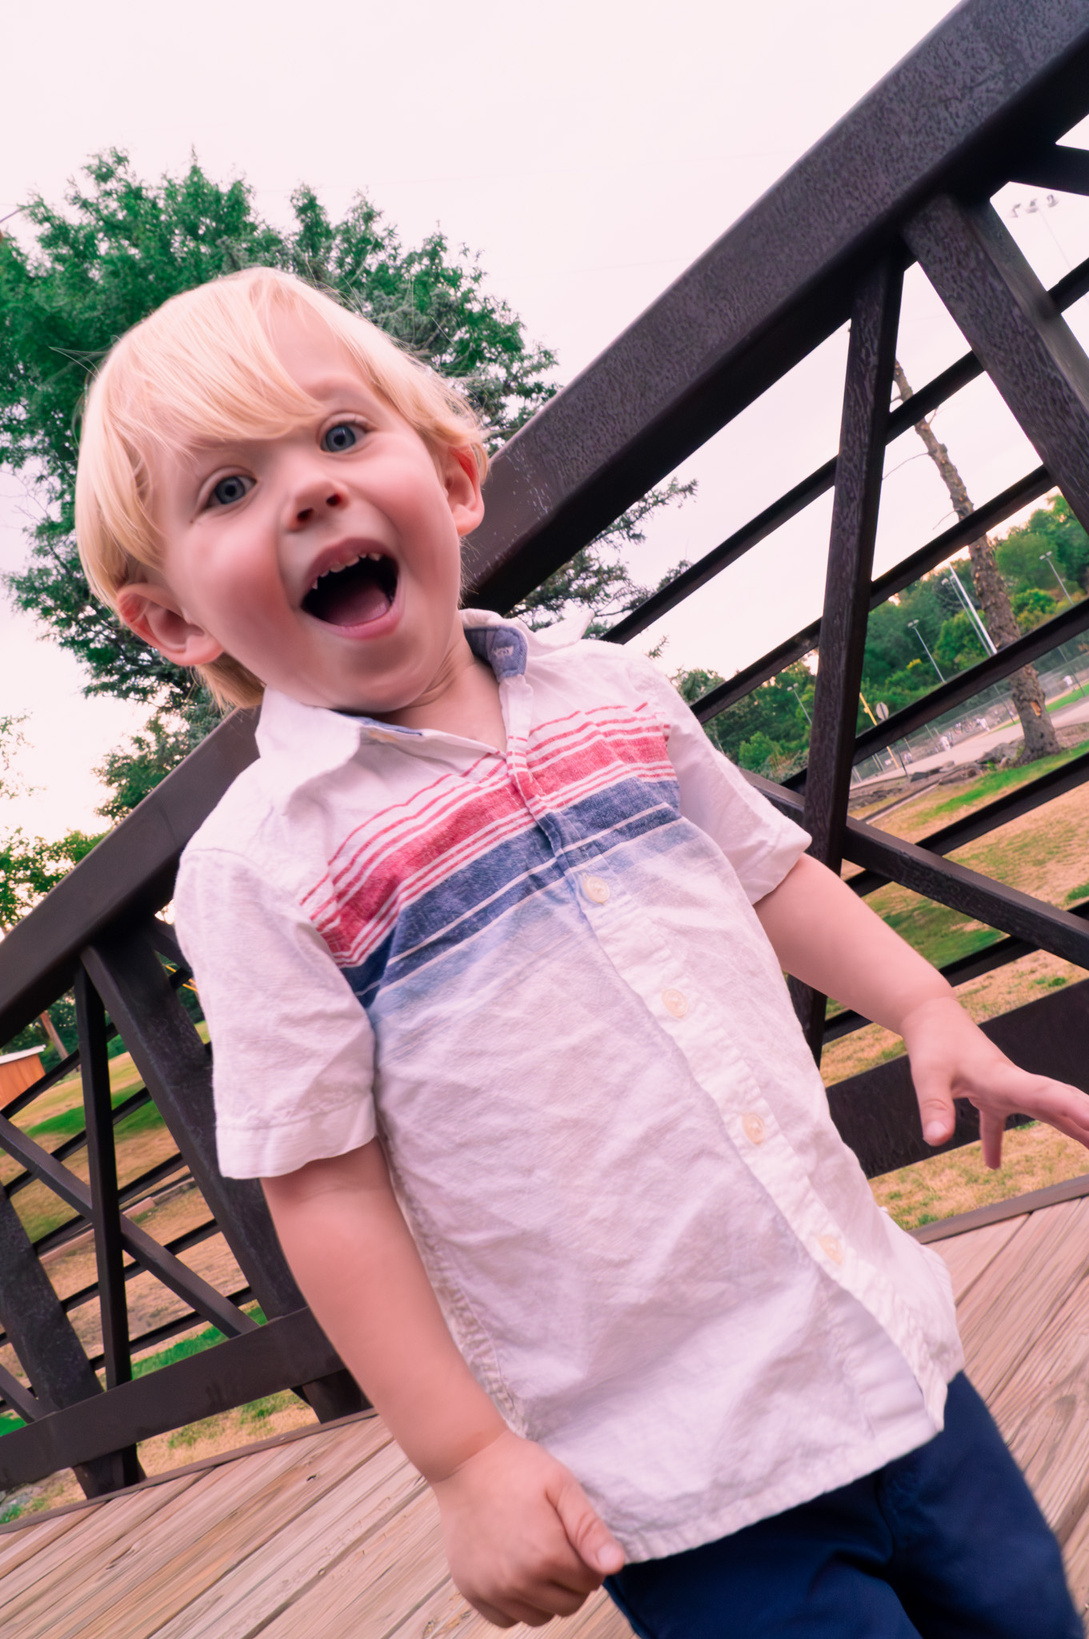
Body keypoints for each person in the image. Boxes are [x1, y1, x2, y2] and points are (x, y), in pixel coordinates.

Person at [74, 267, 1087, 1637]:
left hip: (877, 1348)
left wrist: (923, 1005)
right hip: (670, 1465)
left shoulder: (609, 692)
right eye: (228, 492)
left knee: (1028, 1614)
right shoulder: (264, 869)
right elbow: (321, 1188)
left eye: (336, 436)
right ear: (177, 622)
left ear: (450, 476)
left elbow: (766, 872)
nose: (306, 492)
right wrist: (465, 1459)